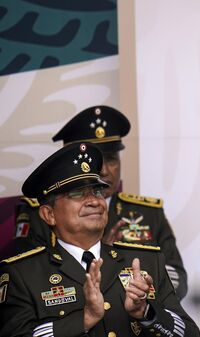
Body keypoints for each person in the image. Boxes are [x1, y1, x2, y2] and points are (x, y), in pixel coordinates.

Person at [0, 142, 200, 337]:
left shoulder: (147, 262)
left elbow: (191, 334)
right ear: (49, 214)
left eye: (97, 192)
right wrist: (84, 319)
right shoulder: (22, 275)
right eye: (77, 193)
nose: (94, 201)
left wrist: (146, 313)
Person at [12, 106, 188, 298]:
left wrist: (136, 281)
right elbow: (29, 278)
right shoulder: (40, 211)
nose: (104, 171)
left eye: (112, 159)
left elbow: (177, 280)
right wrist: (97, 252)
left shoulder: (148, 212)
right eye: (96, 162)